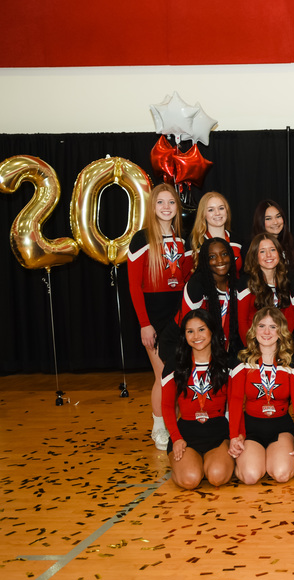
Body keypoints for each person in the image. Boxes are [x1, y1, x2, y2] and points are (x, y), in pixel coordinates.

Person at [127, 182, 191, 450]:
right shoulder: (141, 239)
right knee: (162, 376)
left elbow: (186, 279)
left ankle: (176, 423)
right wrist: (144, 324)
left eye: (171, 202)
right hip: (153, 317)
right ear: (152, 207)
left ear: (177, 207)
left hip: (177, 317)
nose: (166, 207)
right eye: (160, 203)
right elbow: (134, 285)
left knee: (178, 375)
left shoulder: (183, 240)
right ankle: (159, 428)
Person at [227, 307, 294, 484]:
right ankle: (249, 459)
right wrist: (234, 436)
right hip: (250, 429)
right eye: (261, 326)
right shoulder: (242, 361)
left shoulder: (291, 362)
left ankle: (275, 458)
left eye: (273, 326)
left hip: (281, 427)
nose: (267, 332)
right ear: (254, 330)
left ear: (281, 331)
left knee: (281, 474)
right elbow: (235, 401)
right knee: (250, 476)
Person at [161, 309, 234, 489]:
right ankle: (190, 465)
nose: (196, 336)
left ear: (211, 331)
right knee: (190, 479)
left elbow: (235, 403)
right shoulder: (174, 364)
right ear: (184, 335)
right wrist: (176, 438)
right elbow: (167, 406)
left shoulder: (228, 363)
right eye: (190, 331)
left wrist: (235, 436)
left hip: (218, 432)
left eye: (201, 329)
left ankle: (215, 461)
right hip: (186, 434)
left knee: (217, 476)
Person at [236, 232, 294, 349]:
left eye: (272, 250)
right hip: (253, 346)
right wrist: (252, 348)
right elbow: (242, 322)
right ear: (255, 256)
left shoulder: (289, 280)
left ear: (279, 253)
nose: (268, 255)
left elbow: (290, 319)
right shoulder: (246, 282)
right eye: (262, 251)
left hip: (282, 345)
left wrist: (281, 347)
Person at [177, 238, 240, 356]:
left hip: (217, 348)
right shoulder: (196, 285)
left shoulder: (235, 285)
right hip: (183, 343)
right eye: (212, 257)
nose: (220, 260)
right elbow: (187, 326)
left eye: (224, 254)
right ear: (205, 260)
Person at [189, 191, 241, 271]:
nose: (217, 213)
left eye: (221, 208)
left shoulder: (238, 241)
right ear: (203, 214)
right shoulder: (194, 243)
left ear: (227, 211)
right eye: (211, 210)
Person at [250, 200, 294, 274]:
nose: (275, 222)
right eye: (268, 218)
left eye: (278, 216)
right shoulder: (252, 246)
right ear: (260, 221)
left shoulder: (289, 243)